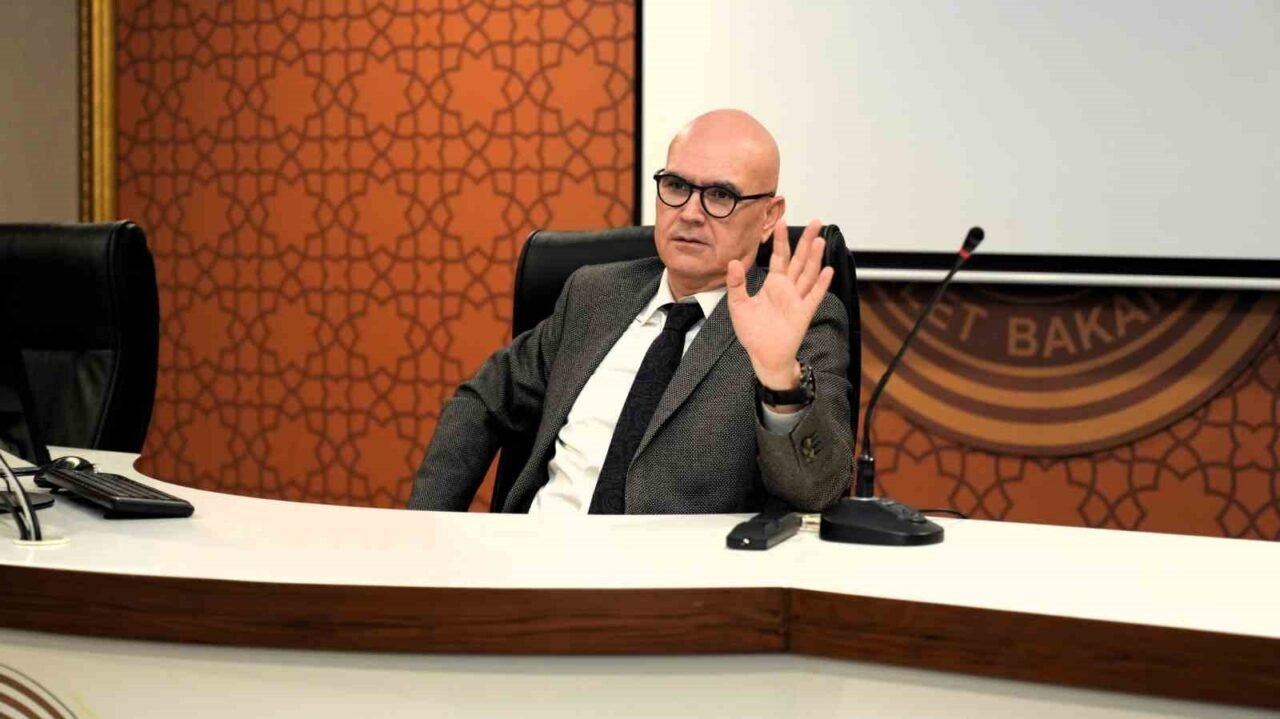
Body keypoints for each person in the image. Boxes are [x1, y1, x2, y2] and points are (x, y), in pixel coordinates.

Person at [408, 109, 853, 514]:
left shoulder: (798, 321)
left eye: (720, 195)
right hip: (535, 553)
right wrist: (429, 528)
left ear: (769, 216)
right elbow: (484, 400)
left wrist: (780, 380)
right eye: (676, 187)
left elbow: (817, 491)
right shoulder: (594, 295)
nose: (690, 213)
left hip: (671, 573)